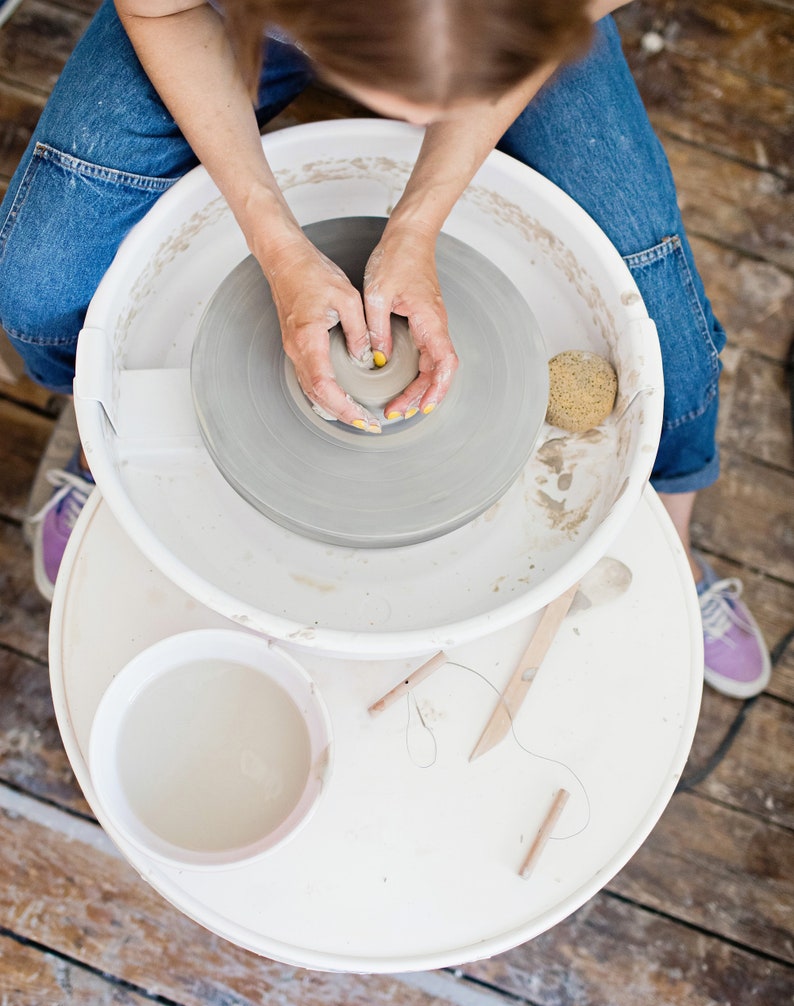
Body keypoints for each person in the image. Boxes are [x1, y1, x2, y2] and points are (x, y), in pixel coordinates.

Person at [0, 0, 771, 698]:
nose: (418, 126)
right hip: (232, 18)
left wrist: (419, 219)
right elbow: (162, 12)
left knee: (666, 334)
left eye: (437, 110)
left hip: (499, 35)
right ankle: (110, 426)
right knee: (40, 277)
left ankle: (669, 530)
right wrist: (275, 245)